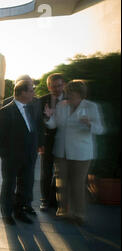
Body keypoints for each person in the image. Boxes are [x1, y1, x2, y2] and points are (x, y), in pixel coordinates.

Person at [44, 80, 104, 225]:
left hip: (81, 153)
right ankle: (64, 211)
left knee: (77, 184)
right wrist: (48, 116)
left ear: (80, 94)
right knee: (62, 183)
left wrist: (89, 123)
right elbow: (53, 125)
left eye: (71, 94)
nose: (68, 97)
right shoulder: (61, 105)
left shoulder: (91, 107)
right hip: (62, 151)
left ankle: (79, 214)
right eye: (68, 93)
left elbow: (100, 129)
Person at [0, 80, 44, 225]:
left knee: (26, 184)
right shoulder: (6, 110)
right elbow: (0, 134)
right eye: (31, 90)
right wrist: (5, 153)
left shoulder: (33, 107)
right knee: (9, 185)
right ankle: (7, 213)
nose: (33, 93)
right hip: (11, 156)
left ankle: (20, 211)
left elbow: (38, 127)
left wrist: (40, 145)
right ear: (22, 92)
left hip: (30, 153)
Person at [39, 73, 66, 212]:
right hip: (47, 142)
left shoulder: (71, 99)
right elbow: (37, 124)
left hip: (66, 142)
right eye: (53, 86)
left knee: (60, 172)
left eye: (59, 85)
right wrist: (39, 144)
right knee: (46, 172)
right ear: (49, 87)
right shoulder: (42, 101)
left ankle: (54, 199)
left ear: (64, 85)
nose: (57, 89)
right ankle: (44, 200)